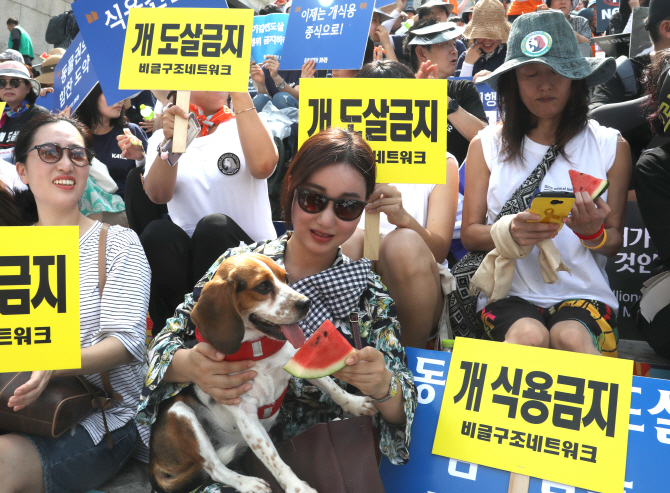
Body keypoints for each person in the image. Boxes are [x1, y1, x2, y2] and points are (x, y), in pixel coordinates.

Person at [136, 127, 417, 492]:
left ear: (363, 210)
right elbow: (164, 343)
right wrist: (188, 364)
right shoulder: (240, 264)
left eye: (347, 206)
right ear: (290, 191)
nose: (327, 219)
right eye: (314, 200)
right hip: (227, 455)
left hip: (323, 455)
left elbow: (403, 404)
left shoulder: (368, 293)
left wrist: (382, 386)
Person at [463, 10, 630, 356]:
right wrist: (507, 232)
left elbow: (613, 241)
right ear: (513, 81)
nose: (544, 84)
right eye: (530, 73)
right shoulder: (484, 145)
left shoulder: (611, 145)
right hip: (508, 295)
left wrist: (592, 233)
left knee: (571, 337)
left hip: (586, 296)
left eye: (556, 72)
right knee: (528, 338)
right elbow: (470, 233)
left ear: (576, 78)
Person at [0, 114, 151, 493]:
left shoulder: (117, 244)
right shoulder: (10, 249)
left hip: (99, 420)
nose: (66, 163)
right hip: (13, 408)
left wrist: (54, 363)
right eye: (49, 152)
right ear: (22, 169)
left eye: (77, 155)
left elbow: (129, 343)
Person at [133, 89, 278, 335]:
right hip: (188, 271)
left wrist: (240, 91)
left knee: (214, 228)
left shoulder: (247, 122)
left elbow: (263, 166)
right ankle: (173, 335)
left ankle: (225, 328)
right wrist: (170, 142)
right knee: (158, 233)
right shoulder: (163, 135)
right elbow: (158, 195)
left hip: (248, 265)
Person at [341, 60, 459, 349]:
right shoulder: (340, 158)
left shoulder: (441, 162)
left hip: (417, 273)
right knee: (354, 241)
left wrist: (403, 218)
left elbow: (439, 250)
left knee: (403, 243)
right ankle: (340, 356)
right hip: (355, 261)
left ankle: (409, 364)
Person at [404, 19, 489, 165]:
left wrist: (441, 97)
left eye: (454, 44)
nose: (454, 50)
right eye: (444, 44)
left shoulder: (463, 88)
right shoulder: (398, 91)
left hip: (458, 185)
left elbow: (485, 139)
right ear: (421, 53)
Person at [76, 84, 148, 199]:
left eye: (120, 93)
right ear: (91, 96)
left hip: (126, 210)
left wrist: (140, 159)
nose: (119, 99)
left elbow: (152, 179)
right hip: (87, 211)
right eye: (110, 93)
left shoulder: (131, 131)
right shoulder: (74, 135)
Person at [0, 61, 48, 150]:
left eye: (14, 82)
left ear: (28, 87)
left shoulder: (39, 115)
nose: (8, 87)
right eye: (1, 82)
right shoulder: (2, 115)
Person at [456, 0, 510, 78]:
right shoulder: (465, 57)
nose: (487, 40)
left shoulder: (510, 56)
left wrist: (492, 79)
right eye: (481, 34)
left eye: (493, 34)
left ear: (501, 33)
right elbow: (458, 89)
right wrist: (467, 65)